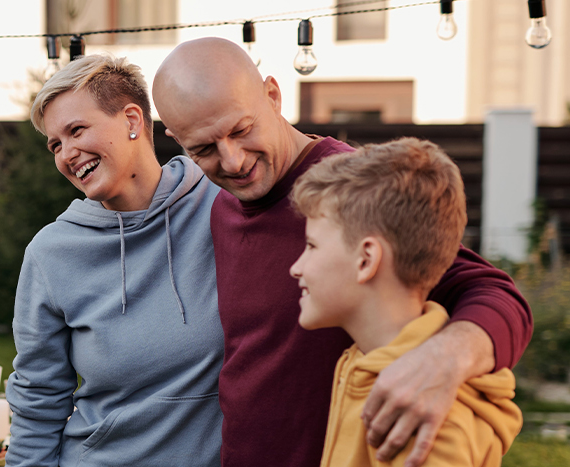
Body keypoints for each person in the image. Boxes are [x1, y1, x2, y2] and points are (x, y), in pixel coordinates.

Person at [151, 37, 532, 467]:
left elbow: (493, 293)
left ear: (272, 96)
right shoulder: (222, 208)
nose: (233, 161)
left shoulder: (346, 191)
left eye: (241, 130)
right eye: (203, 148)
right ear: (176, 139)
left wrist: (444, 359)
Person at [5, 54, 223, 467]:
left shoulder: (220, 206)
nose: (67, 153)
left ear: (132, 120)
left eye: (77, 130)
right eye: (56, 144)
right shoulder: (51, 254)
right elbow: (38, 399)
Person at [289, 138, 522, 466]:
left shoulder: (422, 420)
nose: (296, 267)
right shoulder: (363, 361)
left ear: (366, 259)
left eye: (311, 246)